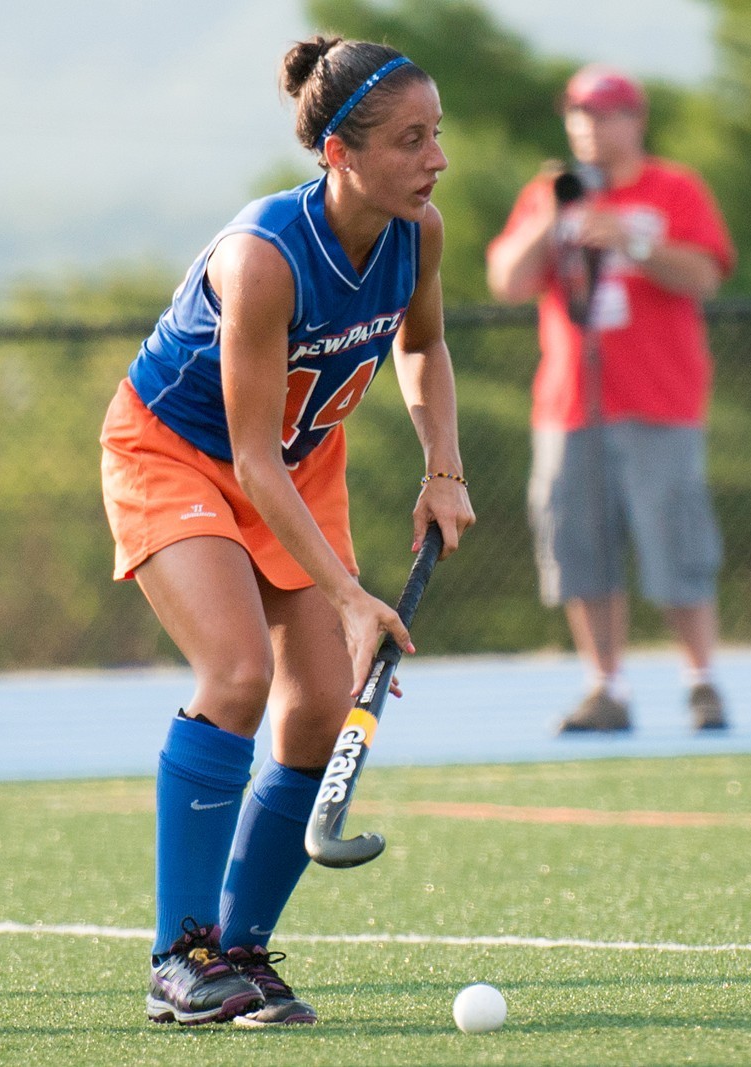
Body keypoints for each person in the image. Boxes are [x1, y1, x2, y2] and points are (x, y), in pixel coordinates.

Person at [98, 37, 474, 1025]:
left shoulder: (416, 232)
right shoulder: (262, 257)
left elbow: (424, 345)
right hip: (177, 455)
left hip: (300, 465)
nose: (434, 158)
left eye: (436, 135)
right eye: (409, 140)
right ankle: (178, 957)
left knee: (315, 710)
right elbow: (249, 455)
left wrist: (443, 468)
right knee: (236, 677)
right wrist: (351, 594)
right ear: (340, 152)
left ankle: (240, 951)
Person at [486, 64, 736, 734]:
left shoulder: (673, 187)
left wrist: (631, 236)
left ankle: (702, 681)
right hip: (571, 405)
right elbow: (508, 279)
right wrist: (554, 217)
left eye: (605, 114)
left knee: (676, 544)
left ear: (635, 120)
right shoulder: (549, 192)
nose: (591, 128)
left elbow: (706, 273)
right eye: (579, 114)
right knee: (580, 548)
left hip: (660, 400)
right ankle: (607, 685)